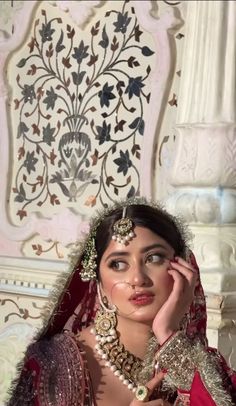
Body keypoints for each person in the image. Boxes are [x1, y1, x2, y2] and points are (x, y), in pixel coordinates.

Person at [6, 198, 236, 405]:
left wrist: (167, 334)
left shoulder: (204, 368)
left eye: (154, 258)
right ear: (99, 283)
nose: (137, 278)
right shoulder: (53, 364)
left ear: (184, 268)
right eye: (117, 264)